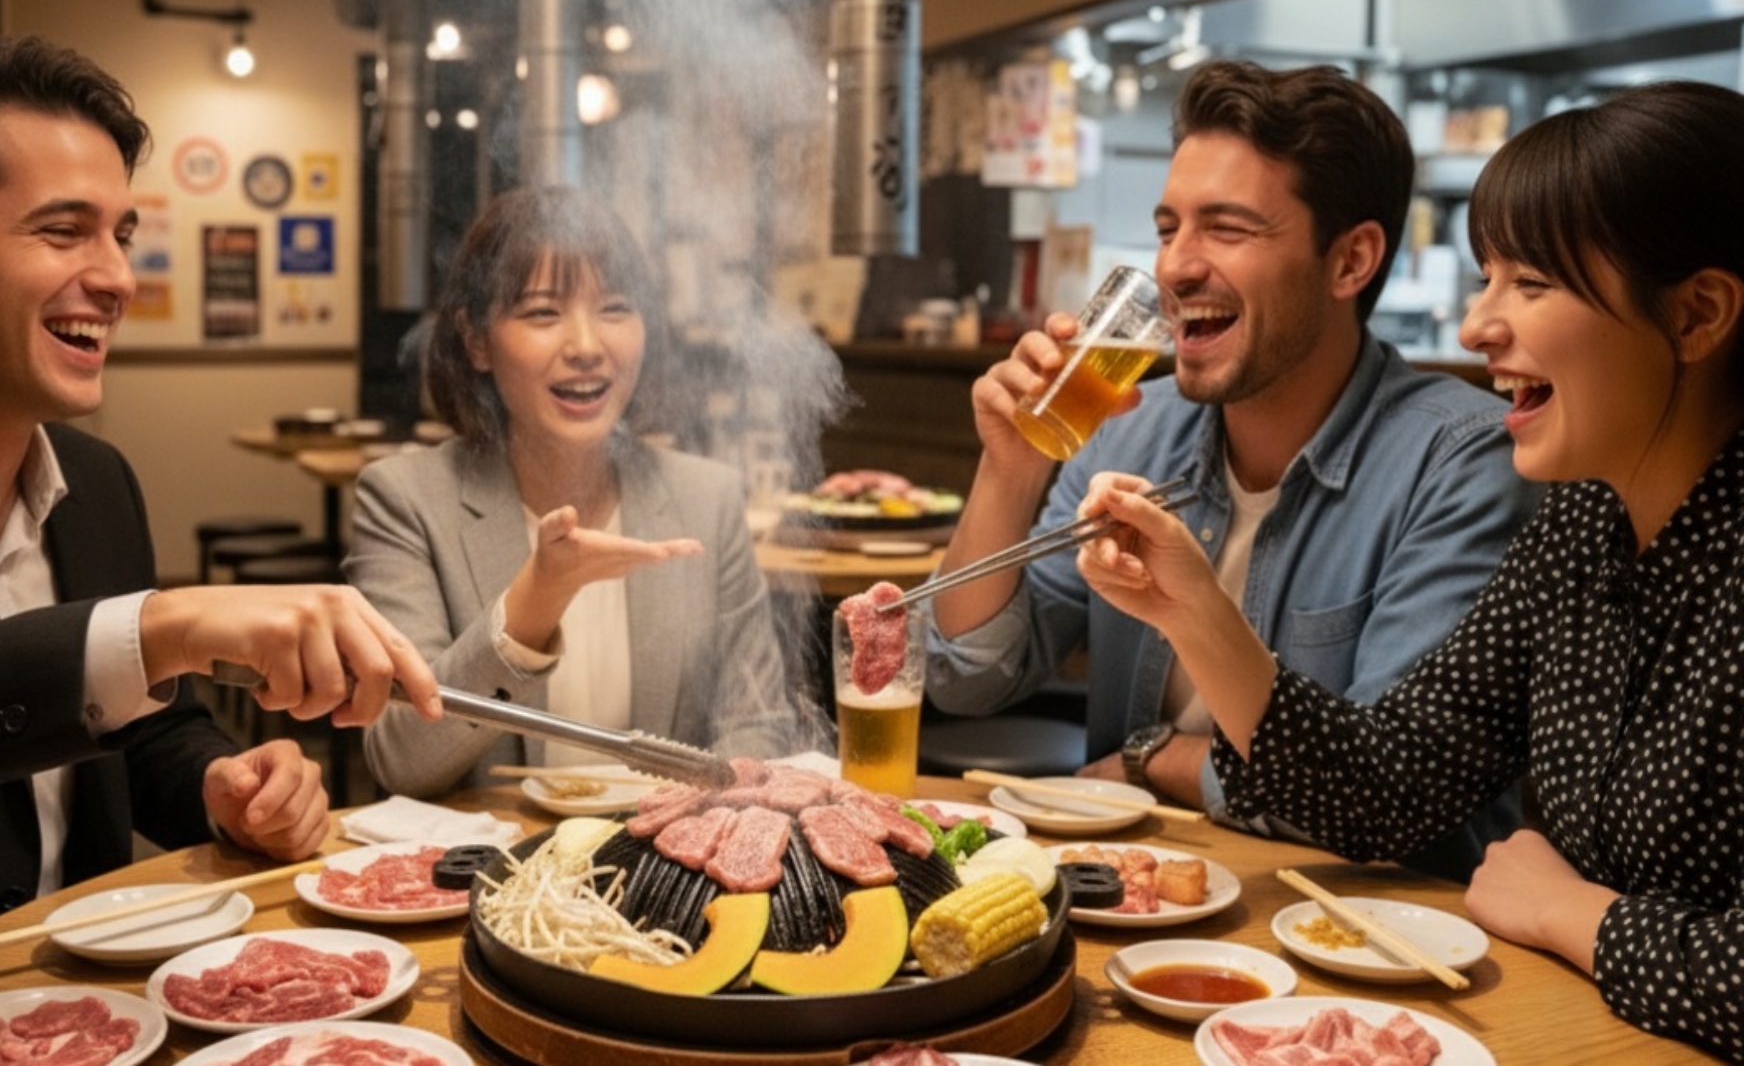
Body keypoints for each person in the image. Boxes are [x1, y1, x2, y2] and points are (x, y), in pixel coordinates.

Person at [0, 36, 438, 1061]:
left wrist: (222, 785)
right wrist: (164, 623)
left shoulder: (95, 480)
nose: (115, 277)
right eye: (64, 232)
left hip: (93, 1021)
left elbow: (144, 735)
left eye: (121, 234)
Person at [1073, 79, 1744, 1060]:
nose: (1476, 328)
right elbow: (1389, 786)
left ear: (1697, 314)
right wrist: (1194, 614)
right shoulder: (1579, 531)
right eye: (1484, 277)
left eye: (1529, 283)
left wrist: (1573, 914)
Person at [924, 59, 1538, 880]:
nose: (1176, 266)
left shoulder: (1458, 462)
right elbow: (966, 679)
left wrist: (1155, 759)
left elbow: (1389, 798)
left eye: (1227, 227)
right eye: (1168, 226)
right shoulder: (1127, 431)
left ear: (1351, 261)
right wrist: (1008, 471)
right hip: (1134, 901)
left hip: (1352, 935)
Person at [351, 186, 799, 798]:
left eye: (615, 308)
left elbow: (757, 731)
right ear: (476, 340)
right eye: (542, 313)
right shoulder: (405, 500)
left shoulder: (706, 498)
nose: (587, 346)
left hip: (657, 869)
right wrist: (540, 595)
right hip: (489, 877)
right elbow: (401, 760)